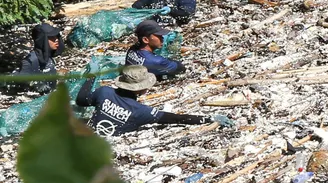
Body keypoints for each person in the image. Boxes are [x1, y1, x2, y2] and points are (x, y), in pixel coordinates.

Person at [76, 64, 226, 138]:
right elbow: (175, 118)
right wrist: (208, 119)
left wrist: (90, 78)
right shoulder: (140, 111)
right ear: (141, 89)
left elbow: (81, 100)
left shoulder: (104, 92)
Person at [16, 24, 62, 93]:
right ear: (43, 40)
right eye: (51, 37)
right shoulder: (30, 61)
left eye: (56, 36)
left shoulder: (49, 58)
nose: (56, 40)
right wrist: (37, 85)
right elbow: (19, 83)